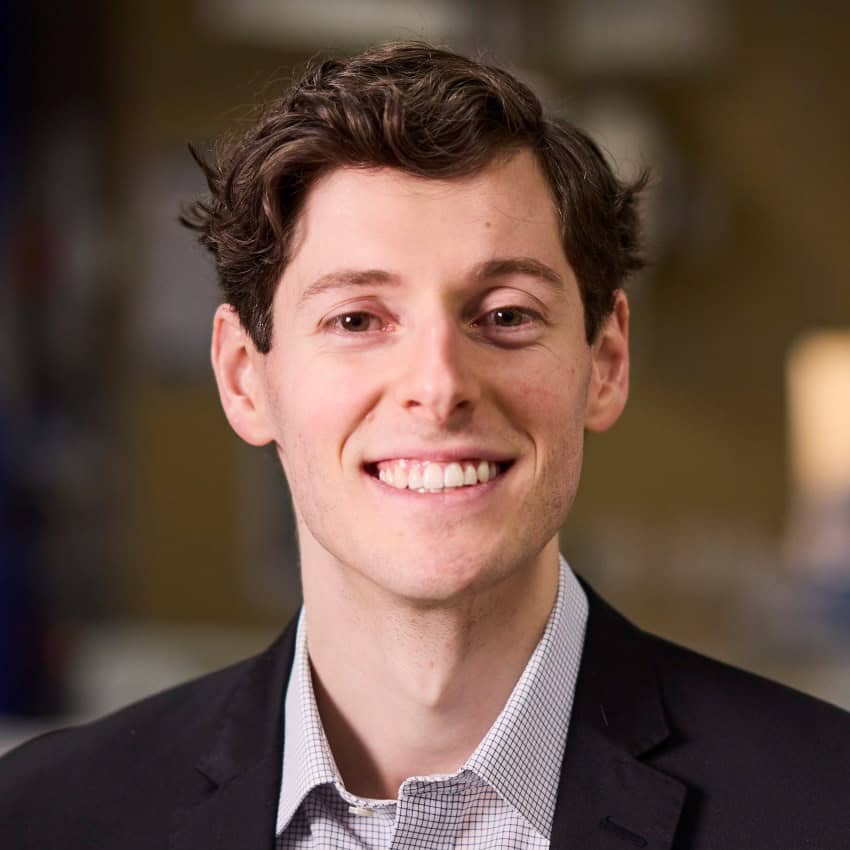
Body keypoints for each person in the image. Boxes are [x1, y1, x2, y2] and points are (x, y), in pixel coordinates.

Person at [1, 41, 848, 850]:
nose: (439, 386)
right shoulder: (44, 820)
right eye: (358, 319)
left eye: (507, 316)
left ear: (606, 362)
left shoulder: (826, 807)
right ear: (242, 377)